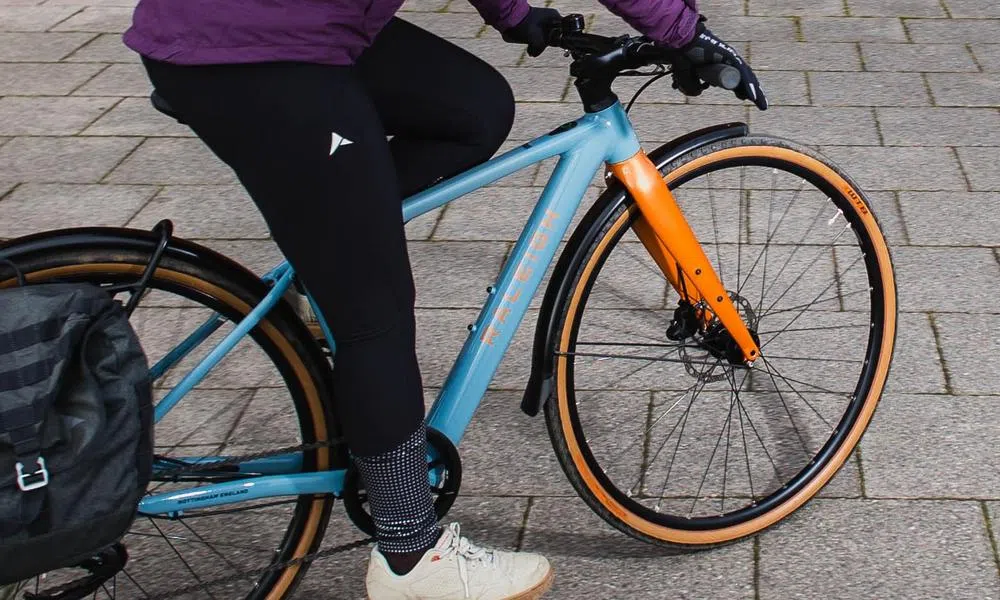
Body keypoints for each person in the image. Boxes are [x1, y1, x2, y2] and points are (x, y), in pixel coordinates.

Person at [121, 0, 765, 596]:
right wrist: (682, 31)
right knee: (376, 320)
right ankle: (410, 553)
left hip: (280, 27)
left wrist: (516, 16)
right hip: (255, 52)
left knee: (473, 109)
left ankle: (334, 246)